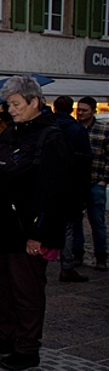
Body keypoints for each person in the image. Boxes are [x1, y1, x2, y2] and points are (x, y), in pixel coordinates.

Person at [0, 76, 71, 371]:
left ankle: (27, 347)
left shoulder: (51, 138)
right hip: (0, 228)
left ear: (34, 102)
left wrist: (39, 235)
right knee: (1, 289)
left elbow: (53, 192)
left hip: (25, 230)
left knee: (26, 292)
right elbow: (3, 172)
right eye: (9, 105)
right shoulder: (9, 134)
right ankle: (4, 336)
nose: (11, 110)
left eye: (15, 104)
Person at [51, 96, 92, 282]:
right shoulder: (77, 130)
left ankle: (47, 255)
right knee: (68, 225)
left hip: (51, 182)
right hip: (71, 185)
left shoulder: (49, 127)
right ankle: (66, 265)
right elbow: (84, 161)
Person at [74, 96, 109, 271]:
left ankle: (101, 256)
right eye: (78, 109)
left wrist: (104, 179)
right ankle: (77, 255)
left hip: (96, 181)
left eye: (84, 110)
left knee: (97, 221)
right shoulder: (75, 129)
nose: (80, 113)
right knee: (76, 221)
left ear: (93, 111)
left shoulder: (103, 130)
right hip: (78, 183)